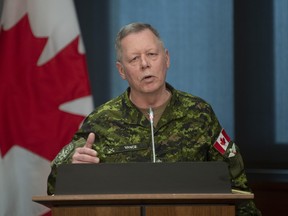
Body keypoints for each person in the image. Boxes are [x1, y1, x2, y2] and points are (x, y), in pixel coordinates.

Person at [47, 22, 261, 215]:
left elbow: (236, 184)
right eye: (134, 58)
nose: (145, 64)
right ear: (122, 70)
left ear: (166, 59)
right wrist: (74, 167)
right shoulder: (101, 120)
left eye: (151, 54)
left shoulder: (199, 113)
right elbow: (54, 186)